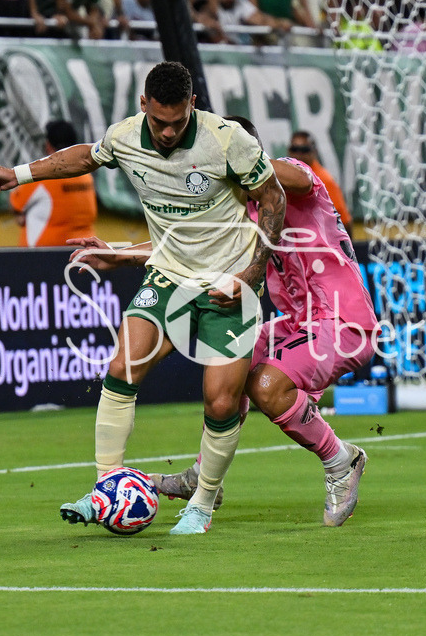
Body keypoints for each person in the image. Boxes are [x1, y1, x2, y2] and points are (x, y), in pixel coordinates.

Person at [0, 61, 287, 535]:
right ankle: (106, 491)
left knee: (222, 402)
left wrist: (252, 272)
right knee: (123, 368)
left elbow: (273, 198)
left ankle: (201, 506)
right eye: (158, 121)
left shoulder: (226, 139)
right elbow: (85, 157)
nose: (166, 132)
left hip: (228, 283)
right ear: (144, 105)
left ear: (193, 107)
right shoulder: (124, 136)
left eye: (177, 122)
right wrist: (18, 175)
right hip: (167, 276)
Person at [74, 115, 377, 526]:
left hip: (342, 323)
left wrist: (240, 161)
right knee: (227, 380)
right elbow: (185, 246)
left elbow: (298, 182)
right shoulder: (242, 208)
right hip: (293, 323)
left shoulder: (294, 179)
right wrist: (119, 253)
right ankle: (204, 478)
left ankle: (342, 461)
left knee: (266, 387)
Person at [10, 120, 97, 246]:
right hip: (84, 251)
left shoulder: (42, 176)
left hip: (44, 255)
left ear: (48, 145)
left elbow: (15, 205)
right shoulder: (86, 176)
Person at [286, 130, 352, 237]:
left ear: (314, 152)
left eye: (304, 150)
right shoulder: (284, 175)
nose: (298, 154)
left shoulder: (324, 180)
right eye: (294, 149)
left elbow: (343, 220)